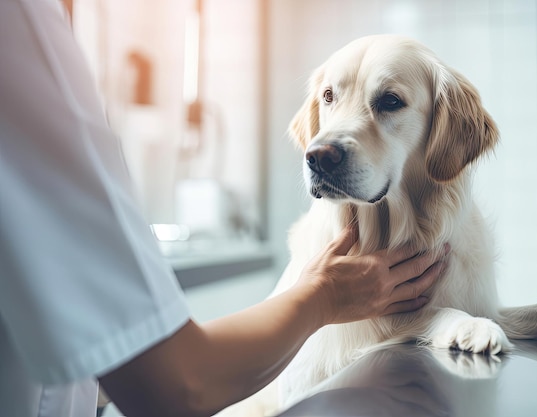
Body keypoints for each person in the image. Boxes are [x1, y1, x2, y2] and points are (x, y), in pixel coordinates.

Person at [0, 1, 448, 416]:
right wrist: (326, 294)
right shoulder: (22, 23)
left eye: (389, 101)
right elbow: (180, 384)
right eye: (330, 99)